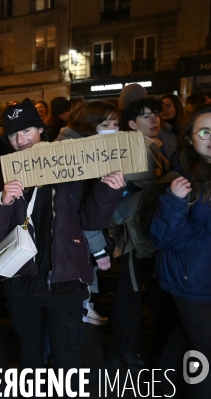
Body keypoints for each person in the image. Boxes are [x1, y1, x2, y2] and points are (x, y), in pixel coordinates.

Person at [0, 102, 124, 391]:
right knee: (31, 353)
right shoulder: (4, 175)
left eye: (26, 130)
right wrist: (3, 202)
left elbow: (90, 219)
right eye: (12, 135)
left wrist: (108, 190)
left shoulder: (70, 165)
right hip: (23, 283)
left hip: (66, 281)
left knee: (68, 355)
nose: (20, 140)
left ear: (41, 129)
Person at [148, 105, 211, 399]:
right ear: (190, 137)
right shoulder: (182, 176)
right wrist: (173, 201)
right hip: (192, 279)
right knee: (205, 351)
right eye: (205, 132)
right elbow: (162, 238)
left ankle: (162, 385)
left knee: (185, 334)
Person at [106, 95, 169, 370]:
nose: (154, 119)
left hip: (146, 232)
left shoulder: (154, 146)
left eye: (155, 113)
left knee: (137, 292)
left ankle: (130, 348)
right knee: (129, 294)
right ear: (131, 124)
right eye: (146, 115)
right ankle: (123, 350)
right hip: (137, 234)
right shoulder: (134, 149)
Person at [56, 100, 123, 326]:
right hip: (75, 237)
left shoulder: (87, 147)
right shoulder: (74, 153)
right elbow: (79, 210)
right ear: (89, 124)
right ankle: (81, 308)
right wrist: (98, 249)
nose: (113, 129)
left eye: (116, 123)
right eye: (106, 124)